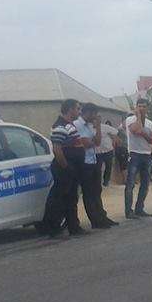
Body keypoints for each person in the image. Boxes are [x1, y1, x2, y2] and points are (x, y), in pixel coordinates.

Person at [43, 99, 86, 238]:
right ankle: (53, 228)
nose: (79, 112)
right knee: (60, 199)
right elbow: (57, 150)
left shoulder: (69, 125)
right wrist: (66, 167)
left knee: (71, 198)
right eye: (77, 109)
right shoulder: (60, 126)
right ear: (70, 109)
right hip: (64, 168)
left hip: (72, 167)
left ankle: (74, 226)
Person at [74, 103, 118, 230]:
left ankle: (102, 216)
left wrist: (98, 126)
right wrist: (91, 141)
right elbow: (86, 143)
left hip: (93, 159)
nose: (95, 117)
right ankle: (95, 220)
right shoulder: (77, 125)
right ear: (89, 113)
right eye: (94, 114)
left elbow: (97, 142)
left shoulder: (89, 126)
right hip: (84, 162)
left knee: (97, 190)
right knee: (88, 192)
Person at [124, 98, 152, 219]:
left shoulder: (150, 123)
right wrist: (138, 117)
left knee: (145, 184)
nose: (141, 108)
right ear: (136, 107)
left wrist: (143, 133)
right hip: (134, 154)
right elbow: (134, 130)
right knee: (130, 184)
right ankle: (129, 211)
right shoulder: (130, 120)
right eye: (139, 106)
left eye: (144, 106)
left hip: (146, 154)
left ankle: (139, 208)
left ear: (147, 108)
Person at [97, 119, 119, 187]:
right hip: (98, 152)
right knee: (98, 168)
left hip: (108, 150)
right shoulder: (91, 128)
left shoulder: (105, 127)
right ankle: (98, 182)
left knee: (108, 167)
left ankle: (106, 182)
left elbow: (115, 132)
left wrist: (113, 139)